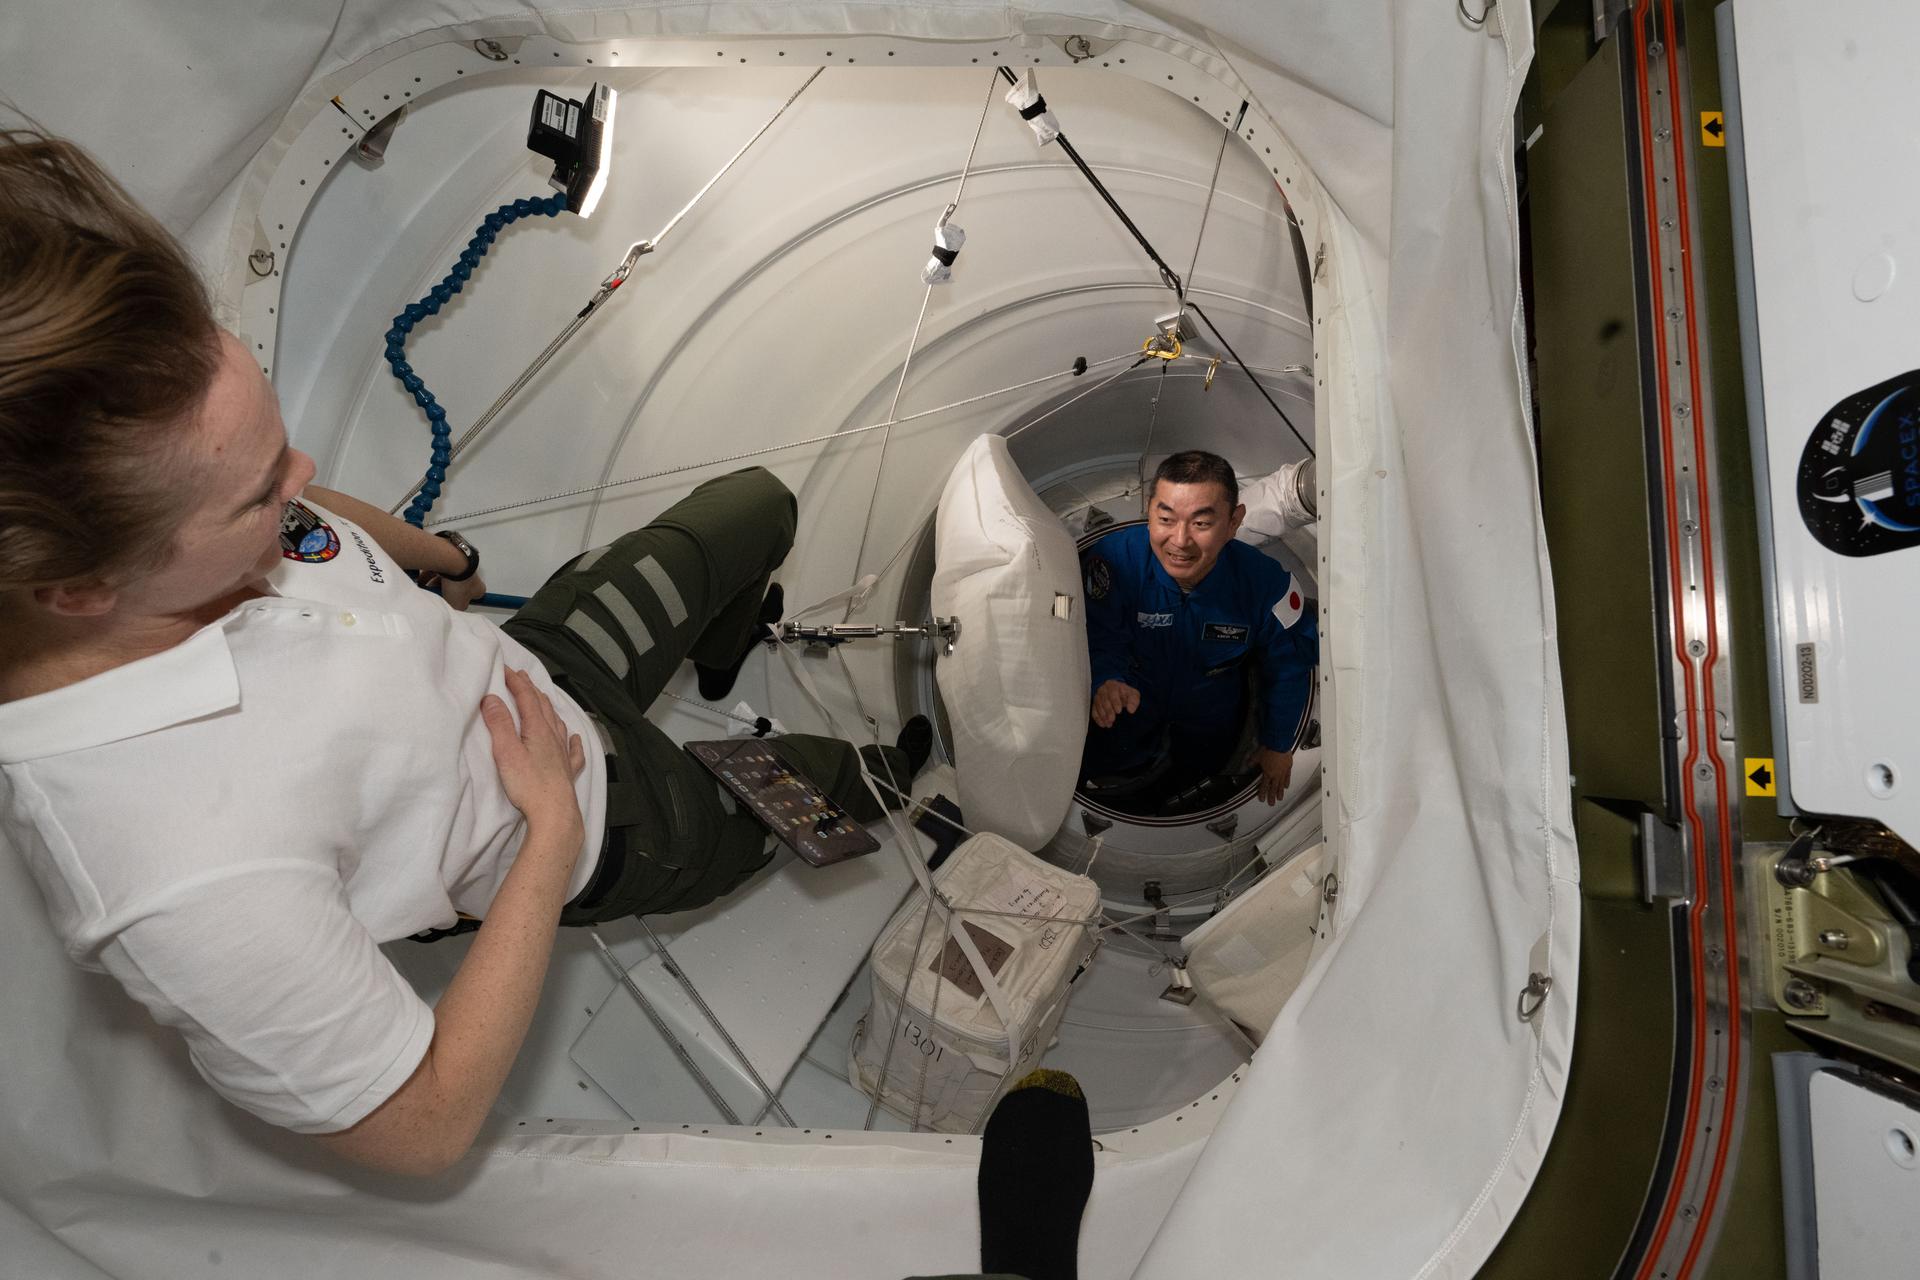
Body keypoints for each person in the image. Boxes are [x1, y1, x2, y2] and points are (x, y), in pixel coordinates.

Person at [0, 129, 926, 1176]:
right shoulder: (176, 881)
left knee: (755, 503)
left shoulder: (174, 505)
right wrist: (546, 836)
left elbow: (307, 497)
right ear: (81, 589)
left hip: (541, 661)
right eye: (260, 494)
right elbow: (422, 1125)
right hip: (604, 822)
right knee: (823, 781)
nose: (300, 473)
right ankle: (901, 778)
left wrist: (439, 557)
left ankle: (718, 650)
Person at [1079, 450, 1317, 812]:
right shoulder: (1115, 561)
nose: (1179, 541)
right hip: (1129, 707)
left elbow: (1289, 666)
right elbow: (1100, 634)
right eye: (1165, 519)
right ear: (1149, 509)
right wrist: (1107, 680)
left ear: (1234, 522)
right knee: (1108, 759)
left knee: (1197, 767)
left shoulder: (1265, 585)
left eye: (1201, 524)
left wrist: (1278, 743)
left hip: (1210, 714)